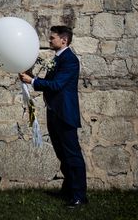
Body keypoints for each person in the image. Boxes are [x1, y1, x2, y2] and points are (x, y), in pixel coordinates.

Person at [19, 25, 88, 208]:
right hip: (54, 112)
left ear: (64, 40)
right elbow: (49, 83)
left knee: (72, 155)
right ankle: (68, 190)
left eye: (52, 38)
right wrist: (31, 77)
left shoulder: (70, 60)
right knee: (62, 154)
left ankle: (80, 195)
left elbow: (57, 85)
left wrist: (32, 81)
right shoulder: (57, 59)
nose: (49, 41)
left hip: (65, 114)